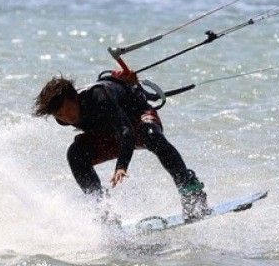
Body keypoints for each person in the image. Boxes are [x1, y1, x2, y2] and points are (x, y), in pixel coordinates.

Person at [33, 72, 209, 221]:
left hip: (137, 119)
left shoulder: (98, 96)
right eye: (59, 115)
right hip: (109, 132)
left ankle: (189, 190)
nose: (66, 117)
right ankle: (104, 211)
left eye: (67, 110)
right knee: (75, 154)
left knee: (152, 137)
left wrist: (121, 166)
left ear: (75, 99)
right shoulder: (61, 116)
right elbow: (110, 132)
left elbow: (126, 131)